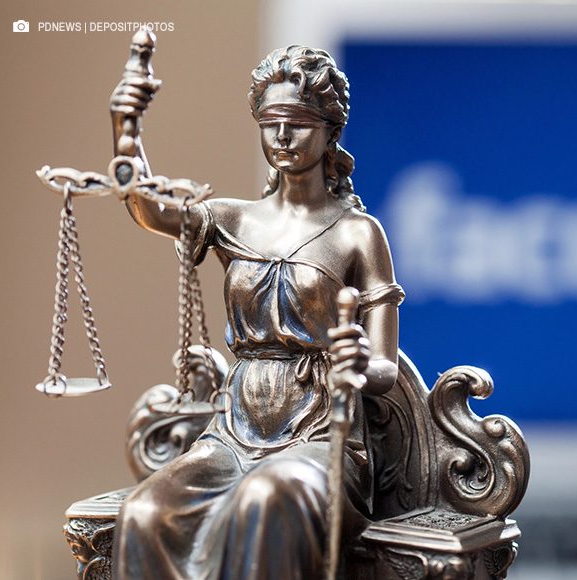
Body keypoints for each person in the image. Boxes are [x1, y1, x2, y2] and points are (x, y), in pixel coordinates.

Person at [109, 45, 404, 579]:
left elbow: (384, 367)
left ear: (331, 130)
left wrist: (359, 364)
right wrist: (126, 132)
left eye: (299, 122)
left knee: (266, 497)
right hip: (233, 430)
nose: (283, 136)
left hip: (318, 437)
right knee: (146, 511)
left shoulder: (359, 234)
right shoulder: (234, 220)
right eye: (270, 123)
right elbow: (150, 210)